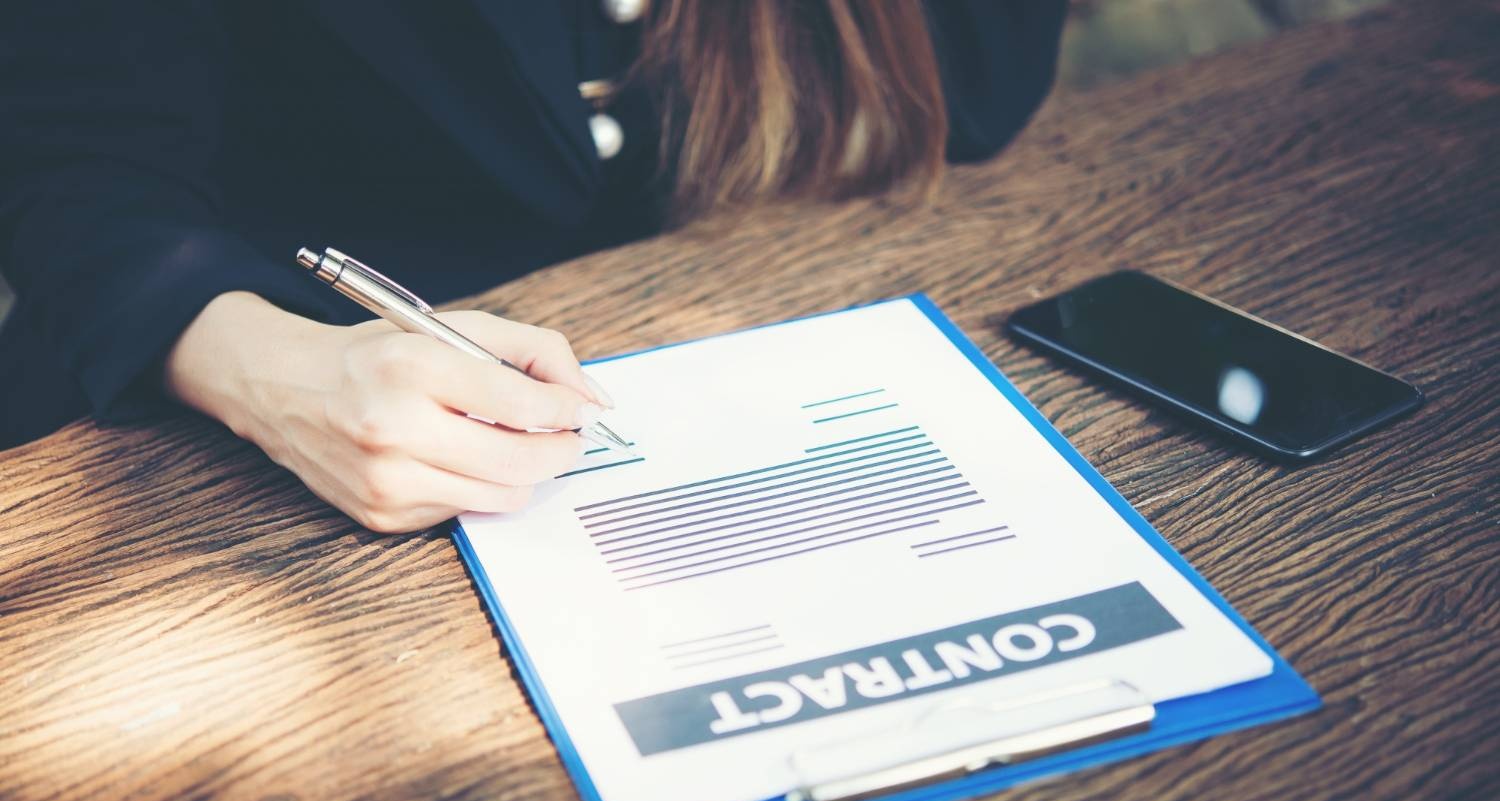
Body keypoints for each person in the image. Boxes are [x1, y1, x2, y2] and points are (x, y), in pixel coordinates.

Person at [0, 1, 1067, 530]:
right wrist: (268, 373)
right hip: (274, 348)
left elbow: (971, 90)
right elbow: (79, 164)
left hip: (776, 279)